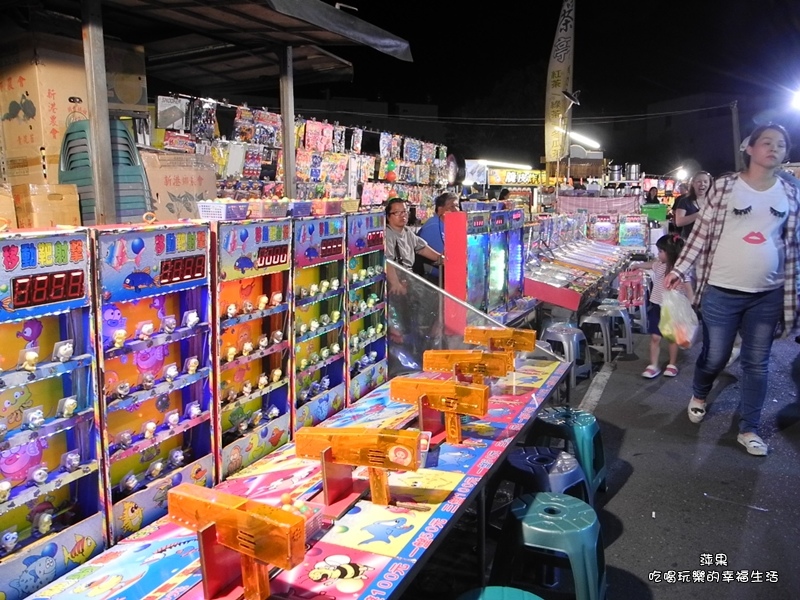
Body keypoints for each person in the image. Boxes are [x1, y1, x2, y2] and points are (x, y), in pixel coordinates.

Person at [664, 123, 799, 456]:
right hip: (722, 290)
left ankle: (749, 428)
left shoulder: (790, 192)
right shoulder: (725, 187)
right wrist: (679, 269)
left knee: (757, 362)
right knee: (716, 354)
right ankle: (700, 391)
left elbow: (793, 245)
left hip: (768, 293)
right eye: (766, 142)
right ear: (749, 149)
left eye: (780, 144)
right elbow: (701, 234)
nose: (774, 148)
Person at [631, 234, 693, 379]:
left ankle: (672, 364)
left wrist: (690, 305)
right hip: (657, 305)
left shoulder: (680, 270)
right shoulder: (659, 265)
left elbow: (689, 288)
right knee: (654, 337)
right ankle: (653, 365)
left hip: (673, 307)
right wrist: (637, 265)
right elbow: (650, 264)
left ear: (669, 252)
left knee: (672, 338)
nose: (658, 254)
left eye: (660, 251)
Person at [416, 192, 458, 283]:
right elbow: (444, 256)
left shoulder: (450, 225)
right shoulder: (433, 225)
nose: (456, 210)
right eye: (452, 207)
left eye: (457, 206)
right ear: (440, 209)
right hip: (434, 279)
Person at [673, 171, 712, 239]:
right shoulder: (684, 201)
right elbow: (679, 222)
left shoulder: (713, 201)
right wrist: (699, 214)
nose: (702, 184)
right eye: (699, 181)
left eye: (705, 182)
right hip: (688, 240)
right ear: (693, 184)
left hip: (707, 240)